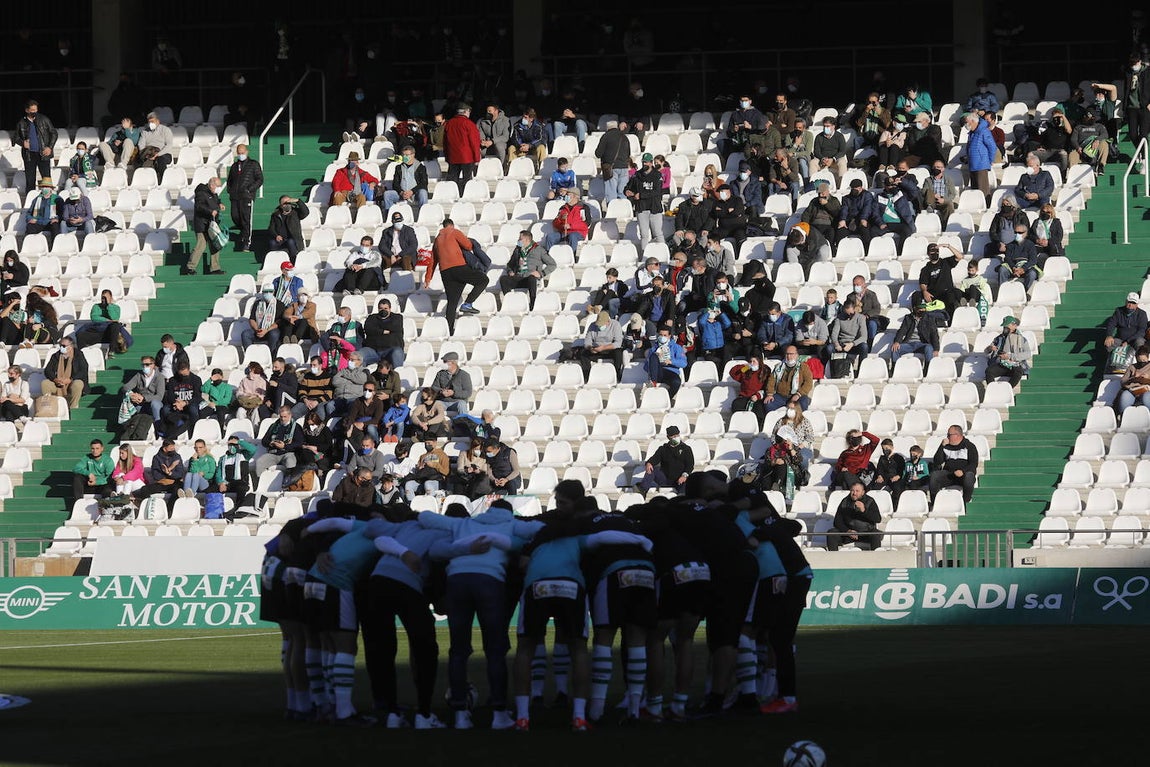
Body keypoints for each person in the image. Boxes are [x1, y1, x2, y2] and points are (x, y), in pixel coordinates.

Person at [426, 218, 489, 334]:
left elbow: (433, 261)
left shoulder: (437, 239)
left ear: (443, 227)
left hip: (445, 272)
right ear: (452, 226)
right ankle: (468, 303)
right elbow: (469, 246)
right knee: (483, 280)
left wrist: (428, 278)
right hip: (459, 267)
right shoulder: (454, 232)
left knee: (452, 302)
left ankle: (449, 331)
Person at [498, 230, 556, 311]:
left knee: (531, 279)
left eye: (520, 239)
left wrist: (541, 273)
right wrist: (510, 271)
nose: (518, 241)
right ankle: (512, 303)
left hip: (530, 279)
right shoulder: (517, 250)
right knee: (504, 279)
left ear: (527, 240)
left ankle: (533, 304)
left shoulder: (539, 250)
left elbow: (553, 264)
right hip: (518, 277)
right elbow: (510, 264)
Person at [184, 176, 226, 276]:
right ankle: (190, 267)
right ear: (212, 185)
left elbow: (215, 200)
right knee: (201, 245)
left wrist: (219, 204)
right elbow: (199, 206)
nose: (218, 188)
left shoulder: (212, 193)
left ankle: (215, 268)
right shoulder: (201, 193)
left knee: (215, 245)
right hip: (202, 223)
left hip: (211, 223)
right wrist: (211, 211)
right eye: (217, 186)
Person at [15, 99, 57, 195]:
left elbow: (54, 133)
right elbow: (15, 137)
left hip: (43, 153)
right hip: (29, 155)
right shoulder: (22, 123)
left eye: (35, 109)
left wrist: (49, 147)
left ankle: (48, 199)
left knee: (46, 179)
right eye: (32, 110)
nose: (34, 112)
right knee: (30, 180)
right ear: (27, 110)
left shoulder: (44, 119)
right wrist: (22, 143)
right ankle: (30, 201)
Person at [226, 143, 262, 252]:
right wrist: (230, 190)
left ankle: (246, 242)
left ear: (247, 152)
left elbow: (259, 179)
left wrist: (249, 189)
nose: (241, 155)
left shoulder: (253, 164)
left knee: (246, 219)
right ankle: (243, 232)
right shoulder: (234, 166)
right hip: (235, 197)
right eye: (239, 153)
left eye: (242, 152)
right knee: (235, 216)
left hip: (246, 196)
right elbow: (230, 181)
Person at [625, 153, 665, 252]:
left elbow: (657, 191)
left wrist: (641, 195)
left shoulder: (657, 175)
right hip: (641, 208)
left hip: (654, 207)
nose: (644, 163)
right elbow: (628, 187)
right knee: (644, 235)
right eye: (643, 162)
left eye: (647, 162)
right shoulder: (637, 175)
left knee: (658, 233)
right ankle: (644, 255)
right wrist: (627, 191)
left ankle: (663, 253)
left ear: (651, 163)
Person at [637, 426, 694, 495]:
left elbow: (690, 465)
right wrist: (649, 463)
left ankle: (681, 499)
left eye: (677, 435)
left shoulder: (686, 449)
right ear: (668, 437)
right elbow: (654, 459)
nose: (675, 437)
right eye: (673, 436)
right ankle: (642, 490)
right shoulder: (663, 449)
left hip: (680, 479)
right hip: (665, 479)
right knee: (652, 469)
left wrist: (684, 475)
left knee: (687, 482)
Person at [826, 482, 882, 551]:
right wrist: (848, 531)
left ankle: (876, 559)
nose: (854, 493)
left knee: (876, 534)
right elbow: (837, 522)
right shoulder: (845, 501)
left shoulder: (870, 501)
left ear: (863, 492)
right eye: (852, 490)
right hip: (849, 534)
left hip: (866, 533)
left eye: (857, 491)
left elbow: (878, 519)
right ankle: (833, 557)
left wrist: (864, 510)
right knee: (831, 533)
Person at [929, 425, 979, 504]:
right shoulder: (946, 446)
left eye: (949, 435)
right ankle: (935, 503)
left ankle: (965, 501)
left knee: (969, 476)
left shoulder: (969, 446)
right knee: (934, 475)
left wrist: (963, 471)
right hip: (949, 474)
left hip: (963, 475)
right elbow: (937, 461)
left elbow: (973, 464)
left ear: (957, 435)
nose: (947, 437)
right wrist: (941, 446)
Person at [913, 242, 964, 319]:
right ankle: (919, 317)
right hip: (933, 297)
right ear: (928, 253)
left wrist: (948, 246)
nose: (935, 252)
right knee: (916, 295)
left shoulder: (946, 262)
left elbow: (959, 256)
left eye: (937, 250)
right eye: (932, 250)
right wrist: (924, 291)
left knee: (952, 294)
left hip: (946, 294)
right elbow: (923, 283)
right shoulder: (925, 269)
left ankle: (950, 321)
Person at [131, 438, 186, 505]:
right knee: (144, 489)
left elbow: (180, 473)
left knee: (178, 490)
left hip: (175, 483)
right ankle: (150, 505)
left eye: (173, 448)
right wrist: (165, 477)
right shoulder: (157, 458)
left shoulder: (177, 457)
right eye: (171, 448)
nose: (173, 450)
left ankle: (169, 509)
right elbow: (156, 475)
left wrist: (169, 472)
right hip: (162, 483)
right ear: (164, 449)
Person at [255, 406, 303, 481]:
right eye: (281, 417)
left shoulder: (296, 427)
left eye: (285, 417)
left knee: (290, 462)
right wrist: (271, 443)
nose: (283, 419)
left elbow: (299, 443)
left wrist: (285, 446)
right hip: (273, 453)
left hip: (287, 452)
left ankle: (289, 484)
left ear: (290, 415)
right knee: (260, 462)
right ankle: (261, 483)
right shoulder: (273, 426)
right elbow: (264, 441)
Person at [77, 289, 131, 354]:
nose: (103, 299)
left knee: (115, 325)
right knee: (80, 335)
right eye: (102, 297)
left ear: (111, 298)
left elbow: (114, 318)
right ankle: (82, 354)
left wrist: (109, 305)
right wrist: (107, 320)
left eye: (106, 298)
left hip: (111, 333)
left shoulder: (116, 307)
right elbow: (94, 318)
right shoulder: (96, 306)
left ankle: (112, 350)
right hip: (98, 333)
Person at [984, 316, 1031, 391]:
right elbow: (986, 352)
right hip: (1001, 364)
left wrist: (1010, 356)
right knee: (989, 371)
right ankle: (993, 391)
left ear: (1014, 326)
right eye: (1004, 326)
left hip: (1014, 365)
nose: (1005, 327)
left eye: (1007, 325)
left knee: (1019, 371)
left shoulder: (1022, 339)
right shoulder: (998, 338)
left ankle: (1006, 390)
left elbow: (1028, 354)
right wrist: (990, 349)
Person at [891, 301, 941, 371]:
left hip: (922, 344)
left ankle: (927, 370)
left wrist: (936, 349)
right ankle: (894, 370)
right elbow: (902, 331)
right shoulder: (908, 318)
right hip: (909, 344)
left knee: (929, 348)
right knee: (895, 349)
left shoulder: (929, 318)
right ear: (915, 308)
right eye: (920, 308)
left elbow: (934, 334)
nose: (923, 310)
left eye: (924, 308)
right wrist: (897, 342)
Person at [443, 104, 481, 195]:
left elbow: (445, 142)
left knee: (453, 179)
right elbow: (474, 142)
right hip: (467, 157)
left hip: (453, 156)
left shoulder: (449, 123)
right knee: (467, 179)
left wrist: (447, 156)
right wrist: (477, 157)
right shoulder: (469, 124)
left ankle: (452, 194)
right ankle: (465, 195)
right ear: (465, 112)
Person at [980, 195, 1029, 264]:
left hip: (1016, 244)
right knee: (988, 248)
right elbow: (992, 232)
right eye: (1003, 204)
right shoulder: (998, 216)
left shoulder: (1021, 216)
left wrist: (1012, 245)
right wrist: (998, 243)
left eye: (1007, 204)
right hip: (1001, 245)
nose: (1004, 206)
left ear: (1013, 205)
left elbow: (1025, 232)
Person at [41, 336, 87, 409]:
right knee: (45, 383)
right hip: (58, 383)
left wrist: (70, 379)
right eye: (60, 345)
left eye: (64, 346)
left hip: (71, 382)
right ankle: (49, 407)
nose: (61, 347)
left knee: (78, 384)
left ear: (71, 346)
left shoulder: (78, 355)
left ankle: (73, 407)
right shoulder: (56, 355)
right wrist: (55, 379)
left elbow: (83, 370)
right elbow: (47, 370)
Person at [578, 310, 624, 382]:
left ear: (608, 322)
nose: (599, 326)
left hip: (610, 349)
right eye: (598, 324)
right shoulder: (592, 325)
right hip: (596, 349)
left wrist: (603, 348)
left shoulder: (616, 325)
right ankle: (587, 376)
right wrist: (590, 348)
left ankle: (617, 375)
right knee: (583, 353)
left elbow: (618, 343)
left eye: (601, 324)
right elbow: (587, 341)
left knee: (618, 352)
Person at [765, 346, 813, 413]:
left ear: (796, 355)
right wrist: (769, 394)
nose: (789, 356)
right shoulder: (778, 367)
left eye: (791, 354)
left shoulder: (804, 367)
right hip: (781, 396)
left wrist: (798, 394)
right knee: (768, 403)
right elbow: (771, 380)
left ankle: (799, 422)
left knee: (803, 405)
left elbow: (809, 383)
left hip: (798, 395)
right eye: (787, 354)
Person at [595, 119, 633, 203]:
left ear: (607, 128)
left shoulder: (606, 136)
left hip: (611, 168)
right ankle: (623, 211)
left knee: (611, 193)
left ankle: (612, 211)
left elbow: (598, 153)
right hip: (624, 167)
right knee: (623, 192)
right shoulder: (624, 136)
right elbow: (628, 153)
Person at [645, 325, 687, 400]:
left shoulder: (676, 347)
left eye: (665, 335)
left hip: (671, 372)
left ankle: (665, 399)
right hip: (658, 372)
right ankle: (653, 383)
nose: (662, 337)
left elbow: (683, 363)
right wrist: (654, 361)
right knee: (653, 356)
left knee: (676, 382)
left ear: (669, 336)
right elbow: (646, 367)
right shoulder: (653, 348)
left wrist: (671, 361)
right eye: (661, 335)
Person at [382, 145, 429, 212]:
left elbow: (424, 183)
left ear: (413, 155)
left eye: (407, 155)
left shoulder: (420, 167)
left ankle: (424, 214)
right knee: (387, 194)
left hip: (415, 193)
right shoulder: (398, 168)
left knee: (423, 193)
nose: (405, 157)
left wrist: (412, 191)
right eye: (403, 155)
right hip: (402, 193)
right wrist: (401, 192)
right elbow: (395, 183)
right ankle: (389, 216)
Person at [997, 221, 1040, 294]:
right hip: (1013, 268)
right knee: (1002, 270)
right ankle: (1003, 292)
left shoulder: (1030, 245)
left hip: (1026, 268)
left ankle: (1023, 292)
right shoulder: (1010, 245)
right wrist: (1014, 268)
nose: (1017, 234)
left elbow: (1033, 260)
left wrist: (1023, 269)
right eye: (1015, 232)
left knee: (1032, 274)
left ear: (1026, 233)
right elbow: (1007, 258)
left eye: (1020, 233)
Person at [361, 298, 405, 368]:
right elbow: (368, 329)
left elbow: (395, 327)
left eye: (385, 308)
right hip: (373, 350)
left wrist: (376, 329)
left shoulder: (397, 318)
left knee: (397, 352)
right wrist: (383, 331)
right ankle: (359, 376)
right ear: (378, 309)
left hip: (390, 351)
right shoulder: (372, 318)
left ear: (390, 309)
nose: (383, 310)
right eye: (381, 308)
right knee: (359, 354)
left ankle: (397, 376)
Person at [72, 439, 116, 503]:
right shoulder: (87, 457)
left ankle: (106, 506)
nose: (95, 451)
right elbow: (76, 468)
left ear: (102, 449)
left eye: (97, 448)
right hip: (89, 484)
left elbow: (110, 478)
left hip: (102, 485)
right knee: (77, 478)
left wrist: (97, 482)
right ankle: (79, 503)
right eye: (93, 448)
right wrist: (88, 473)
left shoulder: (108, 460)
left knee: (108, 489)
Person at [268, 196, 308, 264]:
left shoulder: (295, 213)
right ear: (280, 205)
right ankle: (276, 262)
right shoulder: (276, 215)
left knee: (290, 241)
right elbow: (271, 228)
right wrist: (276, 235)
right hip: (281, 240)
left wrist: (298, 201)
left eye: (288, 202)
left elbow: (306, 212)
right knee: (272, 243)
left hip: (294, 239)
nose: (287, 205)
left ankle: (293, 262)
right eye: (285, 203)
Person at [136, 112, 175, 182]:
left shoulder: (165, 130)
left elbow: (169, 145)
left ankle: (164, 180)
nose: (151, 124)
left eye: (152, 122)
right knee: (140, 159)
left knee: (160, 159)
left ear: (158, 121)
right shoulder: (144, 132)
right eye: (149, 122)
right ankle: (145, 181)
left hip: (163, 154)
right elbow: (141, 145)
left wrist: (158, 154)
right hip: (149, 152)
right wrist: (146, 154)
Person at [432, 352, 473, 417]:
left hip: (457, 402)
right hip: (443, 402)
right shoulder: (440, 373)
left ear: (453, 362)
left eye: (445, 361)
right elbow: (434, 387)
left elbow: (468, 392)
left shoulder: (464, 375)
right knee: (436, 403)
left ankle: (464, 424)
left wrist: (453, 393)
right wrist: (441, 391)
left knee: (462, 404)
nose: (443, 363)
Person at [921, 160, 957, 228]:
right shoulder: (928, 180)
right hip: (931, 201)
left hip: (942, 200)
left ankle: (947, 226)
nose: (936, 169)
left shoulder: (948, 179)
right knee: (928, 191)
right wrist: (933, 195)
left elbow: (952, 194)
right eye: (935, 167)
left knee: (950, 204)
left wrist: (944, 200)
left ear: (943, 169)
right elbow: (923, 191)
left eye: (938, 167)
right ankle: (930, 208)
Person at [812, 116, 848, 184]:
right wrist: (822, 158)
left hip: (835, 160)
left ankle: (842, 184)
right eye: (824, 126)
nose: (826, 128)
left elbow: (842, 151)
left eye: (828, 126)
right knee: (812, 162)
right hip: (822, 161)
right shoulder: (819, 137)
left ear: (833, 126)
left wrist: (833, 159)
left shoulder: (839, 136)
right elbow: (816, 151)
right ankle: (812, 185)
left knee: (842, 162)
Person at [1116, 344, 1150, 414]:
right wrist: (1134, 377)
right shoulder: (1132, 367)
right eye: (1139, 361)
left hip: (1147, 390)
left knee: (1146, 398)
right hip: (1133, 390)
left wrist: (1147, 378)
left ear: (1148, 357)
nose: (1142, 362)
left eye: (1144, 360)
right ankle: (1122, 416)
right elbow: (1123, 381)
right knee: (1125, 396)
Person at [1029, 204, 1065, 268]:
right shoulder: (1036, 222)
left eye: (1048, 212)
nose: (1045, 214)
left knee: (1054, 248)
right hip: (1039, 245)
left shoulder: (1056, 222)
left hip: (1052, 246)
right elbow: (1030, 235)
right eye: (1043, 212)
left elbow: (1059, 236)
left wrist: (1048, 242)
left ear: (1052, 213)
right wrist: (1037, 240)